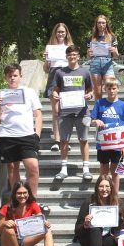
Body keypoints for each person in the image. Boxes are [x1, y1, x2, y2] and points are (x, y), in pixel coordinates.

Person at [0, 181, 67, 246]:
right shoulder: (7, 207)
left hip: (25, 239)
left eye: (25, 193)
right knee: (8, 230)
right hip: (8, 241)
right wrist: (5, 223)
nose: (22, 196)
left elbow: (40, 218)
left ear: (29, 193)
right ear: (14, 194)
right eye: (19, 193)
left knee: (47, 230)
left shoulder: (33, 205)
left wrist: (44, 222)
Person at [0, 64, 42, 195]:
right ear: (5, 78)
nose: (12, 78)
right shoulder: (0, 94)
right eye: (10, 76)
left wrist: (37, 135)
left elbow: (38, 115)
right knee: (13, 168)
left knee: (33, 167)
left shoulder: (29, 92)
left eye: (15, 75)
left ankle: (32, 201)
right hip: (7, 136)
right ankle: (17, 201)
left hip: (27, 136)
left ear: (21, 76)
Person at [74, 175, 124, 246]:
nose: (104, 189)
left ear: (111, 187)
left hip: (106, 239)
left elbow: (122, 228)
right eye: (101, 186)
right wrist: (85, 224)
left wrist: (118, 236)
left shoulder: (119, 203)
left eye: (107, 186)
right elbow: (77, 229)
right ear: (97, 187)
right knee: (96, 227)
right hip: (88, 238)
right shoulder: (89, 202)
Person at [52, 45, 93, 180]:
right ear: (66, 57)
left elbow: (90, 90)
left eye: (75, 54)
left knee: (84, 140)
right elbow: (55, 89)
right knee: (64, 141)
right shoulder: (60, 73)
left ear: (78, 56)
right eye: (70, 55)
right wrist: (55, 95)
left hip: (82, 111)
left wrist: (89, 95)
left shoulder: (85, 72)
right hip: (65, 112)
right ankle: (63, 169)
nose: (72, 57)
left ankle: (86, 169)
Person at [91, 78, 124, 192]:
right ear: (105, 89)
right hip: (103, 143)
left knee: (116, 171)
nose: (112, 91)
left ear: (117, 89)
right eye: (109, 88)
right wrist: (95, 121)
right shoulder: (99, 103)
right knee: (103, 171)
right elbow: (90, 120)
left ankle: (115, 196)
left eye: (114, 88)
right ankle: (102, 193)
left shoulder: (122, 105)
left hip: (117, 143)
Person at [42, 23, 74, 152]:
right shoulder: (49, 47)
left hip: (67, 76)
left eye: (63, 32)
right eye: (58, 32)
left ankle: (66, 140)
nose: (60, 34)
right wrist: (45, 60)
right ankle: (57, 141)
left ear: (66, 33)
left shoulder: (70, 47)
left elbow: (74, 65)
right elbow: (45, 69)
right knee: (55, 112)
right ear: (55, 33)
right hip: (54, 77)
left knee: (66, 111)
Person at [87, 15, 119, 100]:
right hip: (95, 63)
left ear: (106, 24)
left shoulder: (112, 37)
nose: (101, 25)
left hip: (107, 63)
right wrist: (89, 54)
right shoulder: (91, 38)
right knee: (97, 91)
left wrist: (114, 51)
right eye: (99, 23)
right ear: (96, 24)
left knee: (111, 88)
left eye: (103, 23)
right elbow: (88, 56)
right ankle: (99, 111)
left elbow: (116, 56)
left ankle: (113, 110)